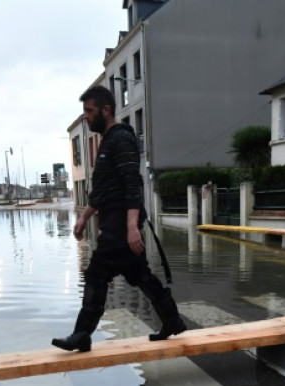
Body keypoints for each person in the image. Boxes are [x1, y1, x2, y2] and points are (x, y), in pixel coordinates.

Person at [52, 86, 186, 352]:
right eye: (85, 112)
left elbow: (131, 184)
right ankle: (172, 320)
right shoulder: (107, 142)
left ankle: (82, 334)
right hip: (115, 221)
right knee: (141, 275)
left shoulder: (121, 139)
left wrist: (130, 227)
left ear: (106, 110)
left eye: (89, 111)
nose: (87, 117)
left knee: (96, 274)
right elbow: (102, 191)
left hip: (119, 224)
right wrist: (83, 218)